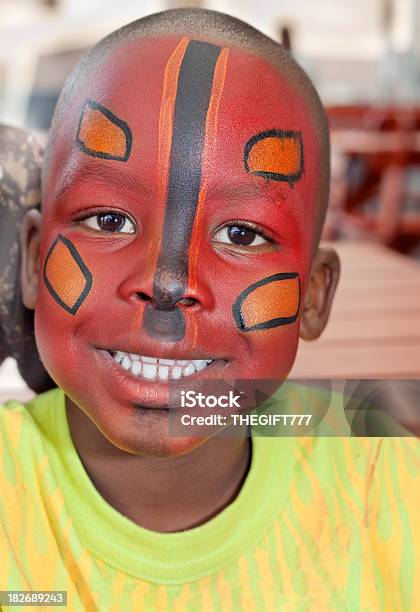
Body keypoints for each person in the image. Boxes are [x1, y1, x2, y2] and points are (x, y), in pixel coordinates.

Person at [0, 8, 418, 610]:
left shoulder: (390, 489)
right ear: (35, 260)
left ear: (314, 296)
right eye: (108, 220)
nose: (167, 282)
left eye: (242, 235)